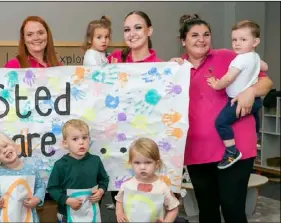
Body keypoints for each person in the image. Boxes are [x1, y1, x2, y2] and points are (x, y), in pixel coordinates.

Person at [171, 14, 273, 223]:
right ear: (183, 41)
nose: (201, 39)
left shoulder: (229, 56)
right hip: (197, 150)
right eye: (194, 35)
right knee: (207, 212)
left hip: (236, 149)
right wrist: (171, 68)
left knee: (232, 209)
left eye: (206, 34)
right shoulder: (177, 70)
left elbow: (267, 83)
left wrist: (251, 91)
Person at [106, 10, 162, 210]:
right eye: (127, 29)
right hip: (119, 150)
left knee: (151, 208)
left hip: (149, 148)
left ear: (149, 30)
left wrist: (178, 69)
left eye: (138, 27)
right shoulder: (113, 61)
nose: (132, 33)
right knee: (123, 207)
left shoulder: (162, 68)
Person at [206, 20, 269, 169]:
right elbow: (265, 66)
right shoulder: (254, 56)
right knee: (254, 120)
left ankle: (231, 151)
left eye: (243, 39)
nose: (237, 43)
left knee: (221, 122)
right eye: (234, 40)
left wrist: (216, 85)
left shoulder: (240, 59)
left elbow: (228, 78)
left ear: (255, 41)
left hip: (238, 101)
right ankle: (256, 137)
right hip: (255, 100)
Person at [47, 119, 109, 223]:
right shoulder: (60, 165)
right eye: (75, 139)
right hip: (66, 214)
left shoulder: (95, 161)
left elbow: (104, 180)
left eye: (84, 138)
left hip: (91, 213)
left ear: (89, 139)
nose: (81, 142)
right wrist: (66, 200)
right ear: (66, 144)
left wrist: (101, 191)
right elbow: (52, 188)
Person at [0, 132, 46, 222]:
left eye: (5, 146)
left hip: (25, 216)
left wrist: (37, 199)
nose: (4, 151)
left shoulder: (31, 170)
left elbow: (40, 186)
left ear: (13, 145)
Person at [114, 138, 179, 223]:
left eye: (148, 162)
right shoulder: (126, 184)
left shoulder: (162, 187)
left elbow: (173, 208)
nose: (142, 167)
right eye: (137, 163)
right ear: (131, 163)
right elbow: (119, 200)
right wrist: (119, 213)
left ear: (157, 164)